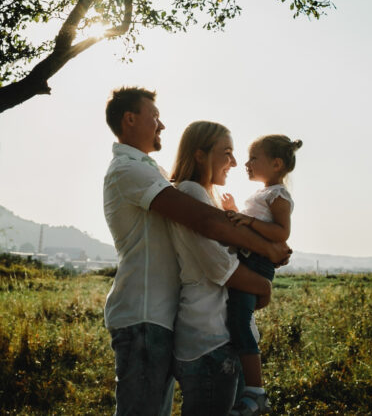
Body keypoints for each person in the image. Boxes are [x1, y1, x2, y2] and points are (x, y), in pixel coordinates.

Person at [103, 88, 290, 416]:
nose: (161, 125)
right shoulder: (128, 170)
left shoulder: (154, 172)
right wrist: (268, 249)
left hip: (162, 315)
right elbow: (204, 222)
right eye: (154, 117)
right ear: (130, 119)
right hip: (144, 313)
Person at [166, 121, 274, 416]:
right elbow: (218, 266)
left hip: (218, 336)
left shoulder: (205, 195)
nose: (235, 162)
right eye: (227, 153)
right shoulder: (190, 192)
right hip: (208, 338)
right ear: (200, 155)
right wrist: (263, 286)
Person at [224, 135, 301, 416]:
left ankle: (255, 392)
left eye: (253, 158)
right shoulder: (261, 194)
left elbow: (282, 233)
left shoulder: (277, 195)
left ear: (276, 163)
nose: (246, 163)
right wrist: (235, 212)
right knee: (236, 315)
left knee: (240, 321)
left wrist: (249, 220)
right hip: (249, 258)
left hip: (257, 263)